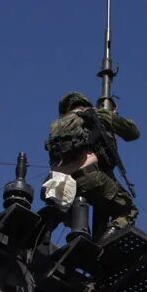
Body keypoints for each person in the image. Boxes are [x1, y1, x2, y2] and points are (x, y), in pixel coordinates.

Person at [43, 91, 140, 231]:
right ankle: (107, 238)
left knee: (75, 223)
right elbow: (133, 133)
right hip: (90, 178)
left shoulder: (56, 125)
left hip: (59, 186)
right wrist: (112, 117)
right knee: (128, 210)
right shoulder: (94, 114)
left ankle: (53, 228)